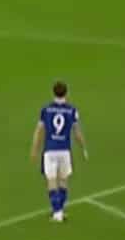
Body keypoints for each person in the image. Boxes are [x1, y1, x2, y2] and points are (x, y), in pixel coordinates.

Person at [30, 80, 89, 222]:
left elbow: (39, 131)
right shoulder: (71, 110)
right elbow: (77, 133)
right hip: (64, 150)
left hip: (50, 150)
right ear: (66, 93)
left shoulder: (46, 110)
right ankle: (60, 211)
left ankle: (57, 212)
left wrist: (34, 149)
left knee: (51, 180)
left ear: (53, 93)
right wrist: (83, 147)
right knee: (63, 180)